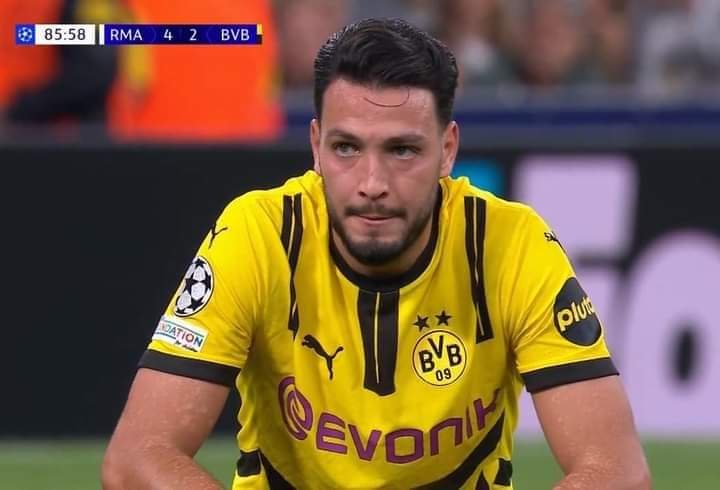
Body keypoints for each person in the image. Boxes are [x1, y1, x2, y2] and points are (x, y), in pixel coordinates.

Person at [102, 18, 650, 489]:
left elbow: (617, 471)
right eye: (346, 147)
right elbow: (136, 458)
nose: (372, 183)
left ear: (447, 151)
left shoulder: (510, 244)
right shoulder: (259, 233)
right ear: (315, 146)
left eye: (402, 150)